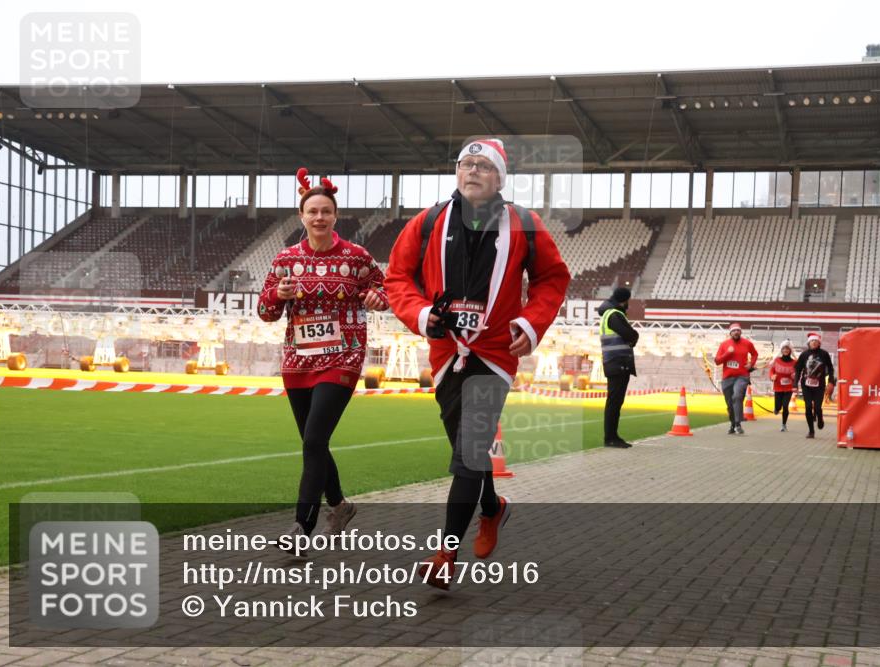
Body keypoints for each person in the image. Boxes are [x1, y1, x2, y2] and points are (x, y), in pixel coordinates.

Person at [385, 138, 570, 589]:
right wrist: (423, 314)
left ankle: (446, 552)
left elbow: (552, 277)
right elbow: (396, 277)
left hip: (495, 353)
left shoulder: (524, 223)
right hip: (447, 352)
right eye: (466, 164)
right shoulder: (427, 221)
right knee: (468, 451)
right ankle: (492, 508)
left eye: (484, 166)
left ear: (499, 178)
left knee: (470, 449)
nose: (473, 171)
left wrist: (531, 321)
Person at [258, 168, 389, 552]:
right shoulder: (285, 259)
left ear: (336, 216)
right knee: (314, 443)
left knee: (314, 438)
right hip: (298, 361)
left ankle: (301, 528)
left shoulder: (356, 257)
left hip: (343, 355)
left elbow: (382, 290)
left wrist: (376, 298)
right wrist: (278, 295)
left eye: (326, 211)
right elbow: (265, 312)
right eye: (312, 211)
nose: (319, 217)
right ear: (301, 216)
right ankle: (341, 506)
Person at [597, 286, 639, 448]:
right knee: (614, 402)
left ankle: (612, 436)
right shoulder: (615, 315)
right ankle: (611, 438)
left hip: (614, 362)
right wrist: (634, 337)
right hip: (618, 362)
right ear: (624, 300)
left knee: (614, 402)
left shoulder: (609, 313)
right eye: (628, 301)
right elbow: (631, 335)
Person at [714, 323, 758, 435]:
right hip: (727, 378)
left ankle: (738, 423)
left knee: (737, 396)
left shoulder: (747, 343)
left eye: (738, 330)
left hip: (742, 376)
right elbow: (717, 361)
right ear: (730, 333)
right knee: (729, 404)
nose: (736, 332)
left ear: (741, 332)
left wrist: (751, 364)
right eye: (734, 331)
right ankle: (733, 424)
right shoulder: (724, 345)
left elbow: (755, 354)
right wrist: (727, 354)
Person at [793, 332, 835, 439]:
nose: (814, 342)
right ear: (809, 343)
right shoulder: (804, 355)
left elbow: (830, 368)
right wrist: (795, 384)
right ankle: (811, 431)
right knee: (807, 407)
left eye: (816, 341)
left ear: (819, 343)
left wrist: (831, 381)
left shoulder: (824, 354)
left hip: (819, 385)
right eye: (812, 341)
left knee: (817, 407)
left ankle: (819, 417)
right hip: (806, 384)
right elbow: (798, 370)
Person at [768, 340, 797, 432]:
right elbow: (771, 370)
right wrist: (772, 376)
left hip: (788, 388)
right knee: (778, 407)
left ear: (790, 350)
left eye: (787, 349)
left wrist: (794, 376)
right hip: (778, 387)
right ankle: (776, 409)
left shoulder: (794, 362)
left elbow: (797, 373)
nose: (785, 350)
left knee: (785, 406)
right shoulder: (777, 360)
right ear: (781, 350)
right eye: (784, 348)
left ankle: (784, 424)